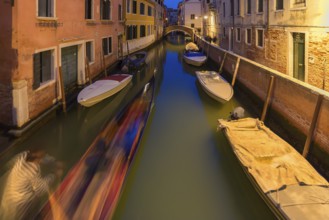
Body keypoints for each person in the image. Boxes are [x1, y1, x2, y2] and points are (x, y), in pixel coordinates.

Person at [0, 150, 62, 220]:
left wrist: (54, 161)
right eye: (41, 158)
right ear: (37, 159)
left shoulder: (24, 154)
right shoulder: (33, 169)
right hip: (21, 202)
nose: (43, 158)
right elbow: (40, 189)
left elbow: (9, 164)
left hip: (10, 194)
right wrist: (54, 175)